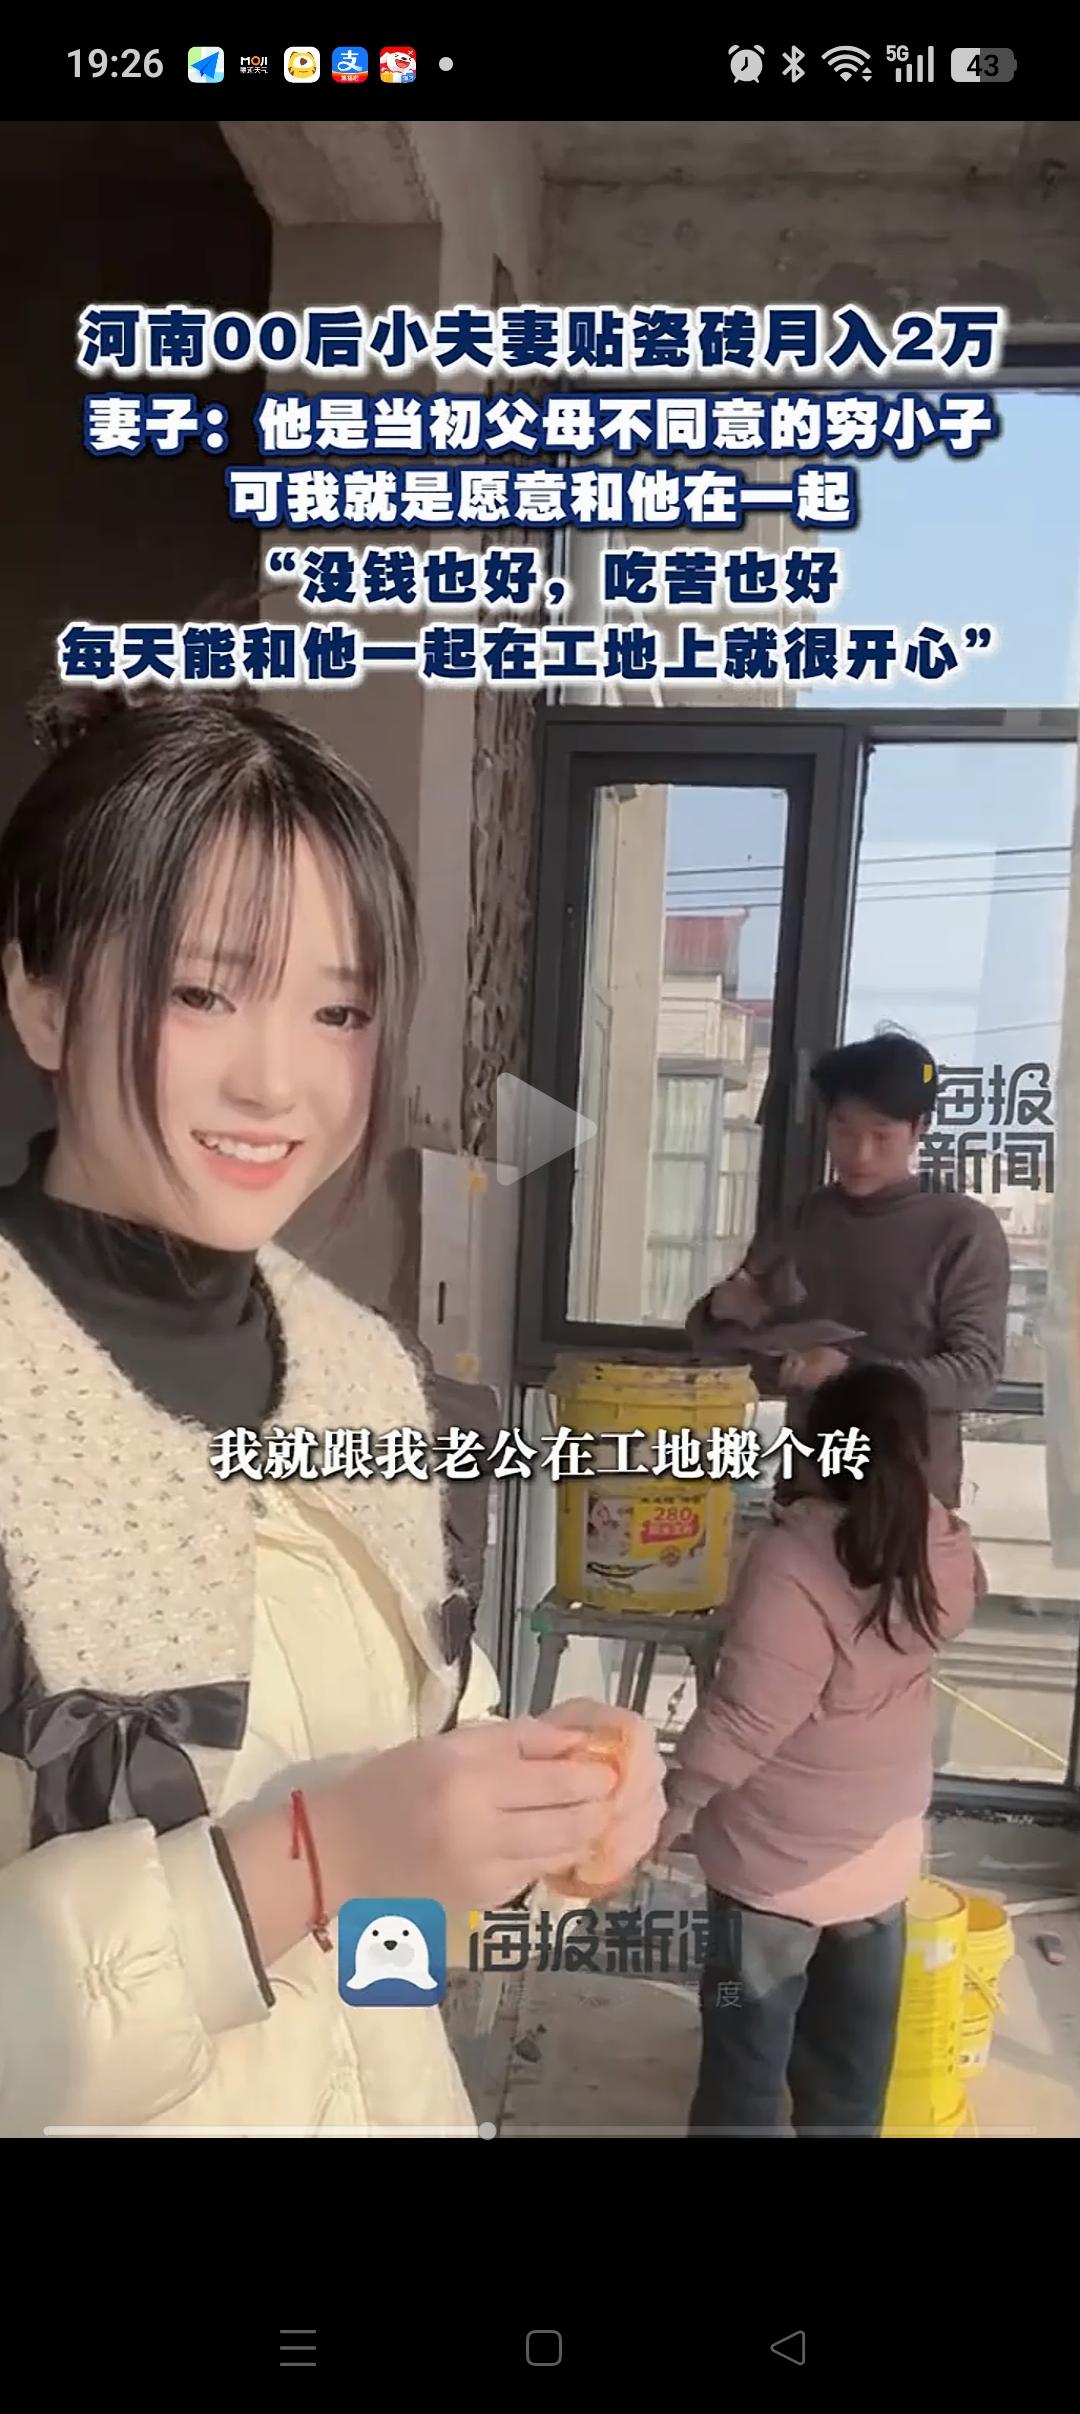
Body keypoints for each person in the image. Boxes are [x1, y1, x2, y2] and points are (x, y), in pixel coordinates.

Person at [0, 681, 664, 2138]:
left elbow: (404, 1905)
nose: (277, 1078)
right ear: (40, 994)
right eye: (201, 990)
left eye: (339, 1008)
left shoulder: (371, 1384)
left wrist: (552, 1811)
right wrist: (311, 1856)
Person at [658, 1362, 981, 2137]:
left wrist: (673, 1806)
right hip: (879, 1862)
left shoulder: (795, 1562)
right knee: (850, 2075)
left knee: (741, 2054)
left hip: (770, 1875)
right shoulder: (940, 1543)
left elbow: (748, 1719)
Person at [687, 1031, 1010, 1510]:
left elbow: (975, 1372)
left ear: (919, 1129)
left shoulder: (963, 1228)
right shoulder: (805, 1218)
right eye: (843, 1129)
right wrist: (722, 1312)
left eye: (881, 1135)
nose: (859, 1154)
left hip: (910, 1504)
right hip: (805, 1493)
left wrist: (851, 1373)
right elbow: (720, 1346)